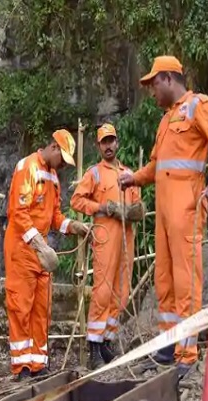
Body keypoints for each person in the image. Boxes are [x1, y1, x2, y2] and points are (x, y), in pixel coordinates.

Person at [119, 56, 208, 377]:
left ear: (169, 78)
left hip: (187, 209)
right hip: (164, 214)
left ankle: (187, 353)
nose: (151, 92)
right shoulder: (165, 120)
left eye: (153, 84)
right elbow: (156, 167)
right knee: (165, 281)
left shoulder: (198, 106)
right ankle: (169, 345)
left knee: (187, 280)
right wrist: (134, 178)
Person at [4, 129, 90, 380]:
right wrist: (40, 245)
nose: (63, 164)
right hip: (22, 250)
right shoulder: (27, 167)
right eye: (62, 158)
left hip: (41, 252)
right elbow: (17, 213)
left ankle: (38, 364)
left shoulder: (53, 177)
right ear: (53, 147)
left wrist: (73, 226)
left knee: (42, 309)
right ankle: (22, 368)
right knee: (21, 307)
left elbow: (55, 217)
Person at [70, 123, 144, 369]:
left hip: (126, 237)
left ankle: (106, 343)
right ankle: (93, 346)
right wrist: (102, 208)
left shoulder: (128, 174)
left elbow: (138, 207)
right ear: (98, 146)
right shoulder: (95, 173)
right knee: (102, 291)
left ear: (117, 143)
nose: (108, 145)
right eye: (104, 141)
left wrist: (131, 212)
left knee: (121, 291)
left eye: (111, 140)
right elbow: (77, 200)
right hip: (104, 235)